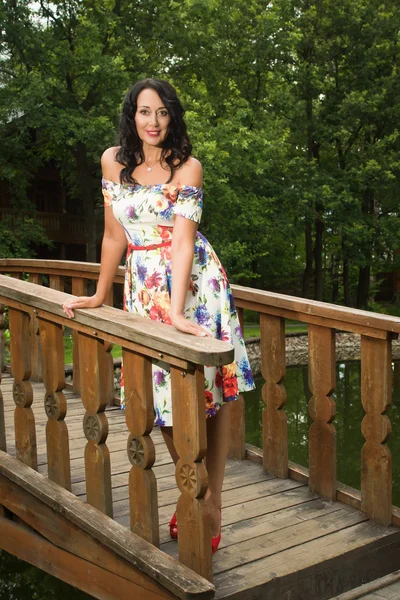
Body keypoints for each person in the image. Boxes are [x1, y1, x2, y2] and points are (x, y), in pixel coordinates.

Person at [62, 78, 255, 552]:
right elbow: (113, 236)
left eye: (162, 113)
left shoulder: (188, 167)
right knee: (162, 399)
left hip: (194, 284)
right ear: (132, 115)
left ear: (173, 117)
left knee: (212, 389)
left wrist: (174, 308)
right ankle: (198, 486)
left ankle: (212, 502)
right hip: (142, 284)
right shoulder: (113, 161)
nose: (153, 122)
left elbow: (186, 239)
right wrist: (100, 295)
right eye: (145, 112)